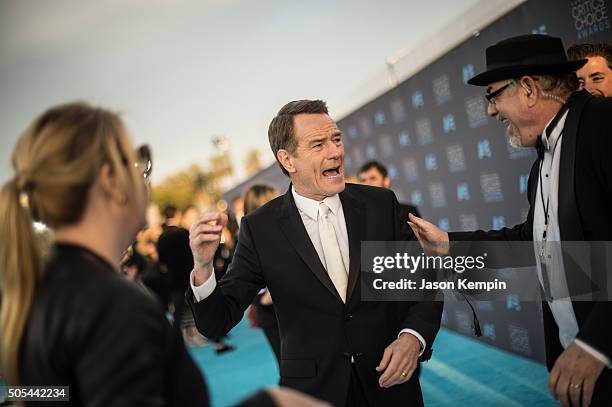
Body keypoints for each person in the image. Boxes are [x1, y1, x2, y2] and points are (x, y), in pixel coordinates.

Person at [0, 102, 326, 407]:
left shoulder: (43, 294)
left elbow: (55, 396)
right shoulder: (111, 307)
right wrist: (272, 402)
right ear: (111, 181)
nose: (146, 177)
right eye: (138, 161)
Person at [188, 99, 443, 407]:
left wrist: (412, 337)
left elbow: (421, 281)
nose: (335, 151)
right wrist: (203, 267)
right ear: (288, 160)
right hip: (313, 393)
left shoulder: (380, 204)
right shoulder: (260, 228)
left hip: (389, 384)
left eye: (336, 139)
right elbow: (217, 322)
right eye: (318, 144)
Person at [409, 34, 611, 407]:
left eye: (494, 95)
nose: (490, 110)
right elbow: (529, 242)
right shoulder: (540, 166)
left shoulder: (603, 124)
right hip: (582, 368)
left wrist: (596, 344)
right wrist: (448, 244)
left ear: (530, 89)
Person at [243, 184, 282, 365]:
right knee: (290, 371)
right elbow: (253, 291)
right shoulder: (249, 242)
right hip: (273, 314)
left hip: (295, 311)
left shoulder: (282, 231)